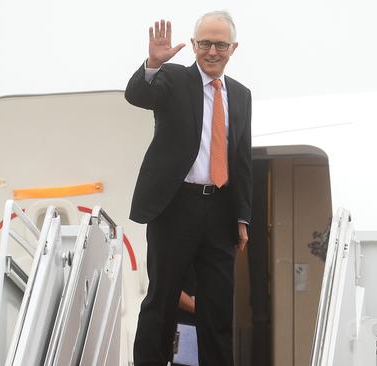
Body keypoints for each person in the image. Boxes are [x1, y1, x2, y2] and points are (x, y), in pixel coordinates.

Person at [125, 11, 252, 366]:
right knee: (161, 302)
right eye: (205, 43)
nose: (213, 51)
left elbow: (241, 159)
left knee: (218, 310)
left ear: (233, 48)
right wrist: (153, 62)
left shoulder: (241, 95)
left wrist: (243, 216)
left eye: (220, 44)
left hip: (221, 211)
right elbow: (137, 95)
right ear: (194, 45)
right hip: (174, 207)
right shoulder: (173, 79)